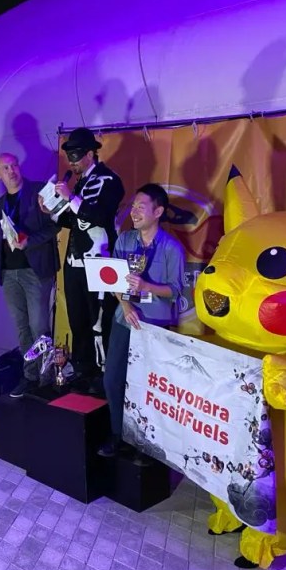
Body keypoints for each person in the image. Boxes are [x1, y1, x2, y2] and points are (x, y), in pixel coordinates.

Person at [98, 184, 185, 457]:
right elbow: (112, 280)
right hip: (125, 319)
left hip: (155, 326)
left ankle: (147, 444)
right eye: (133, 206)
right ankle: (117, 435)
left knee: (148, 387)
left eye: (141, 207)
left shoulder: (172, 248)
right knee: (113, 379)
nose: (134, 212)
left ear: (157, 212)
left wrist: (147, 286)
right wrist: (125, 306)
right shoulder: (124, 240)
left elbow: (176, 290)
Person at [40, 127, 124, 394]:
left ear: (90, 154)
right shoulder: (79, 183)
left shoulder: (109, 180)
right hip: (74, 260)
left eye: (76, 156)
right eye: (69, 157)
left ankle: (104, 376)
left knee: (99, 319)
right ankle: (83, 370)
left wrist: (71, 198)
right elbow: (72, 219)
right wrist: (52, 209)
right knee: (77, 318)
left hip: (99, 260)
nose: (72, 162)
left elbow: (98, 215)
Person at [0, 153, 59, 398]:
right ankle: (30, 376)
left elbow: (56, 225)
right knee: (22, 328)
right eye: (5, 168)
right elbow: (4, 237)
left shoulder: (38, 191)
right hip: (9, 273)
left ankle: (47, 379)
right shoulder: (0, 203)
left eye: (14, 165)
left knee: (39, 327)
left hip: (35, 271)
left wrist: (30, 241)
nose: (11, 170)